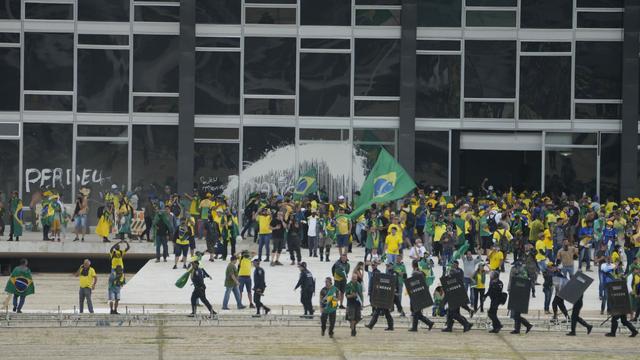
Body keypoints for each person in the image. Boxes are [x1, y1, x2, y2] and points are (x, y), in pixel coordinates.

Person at [408, 260, 434, 332]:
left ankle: (427, 324)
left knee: (416, 312)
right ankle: (427, 324)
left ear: (413, 265)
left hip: (416, 294)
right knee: (417, 313)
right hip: (420, 293)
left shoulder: (415, 273)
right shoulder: (421, 272)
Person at [345, 272, 363, 336]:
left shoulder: (359, 285)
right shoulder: (348, 285)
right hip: (351, 303)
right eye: (353, 279)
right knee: (352, 318)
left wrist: (362, 303)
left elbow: (361, 295)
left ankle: (352, 325)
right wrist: (352, 295)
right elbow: (347, 295)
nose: (354, 280)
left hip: (358, 303)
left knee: (358, 318)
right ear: (351, 278)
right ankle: (353, 330)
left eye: (355, 279)